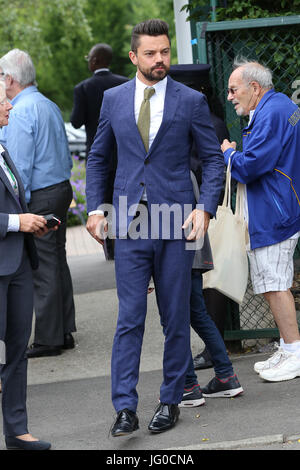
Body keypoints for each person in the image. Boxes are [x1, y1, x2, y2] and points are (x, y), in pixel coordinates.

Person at [86, 19, 224, 436]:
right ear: (134, 57)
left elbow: (213, 160)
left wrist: (206, 209)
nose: (160, 59)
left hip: (177, 222)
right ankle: (124, 407)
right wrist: (95, 209)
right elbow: (97, 159)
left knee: (175, 316)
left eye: (165, 52)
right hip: (130, 223)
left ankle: (170, 399)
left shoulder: (189, 101)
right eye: (151, 53)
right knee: (129, 316)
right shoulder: (112, 99)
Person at [221, 58, 300, 383]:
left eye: (233, 89)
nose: (229, 97)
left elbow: (252, 166)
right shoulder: (280, 105)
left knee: (274, 285)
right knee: (273, 283)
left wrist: (228, 153)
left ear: (254, 87)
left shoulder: (270, 112)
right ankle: (287, 346)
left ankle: (294, 351)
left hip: (273, 211)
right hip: (278, 207)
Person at [0, 49, 76, 358]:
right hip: (60, 188)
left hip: (40, 194)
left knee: (42, 266)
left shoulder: (19, 110)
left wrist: (20, 212)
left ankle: (48, 338)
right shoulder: (47, 104)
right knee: (57, 260)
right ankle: (64, 329)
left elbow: (18, 168)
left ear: (10, 79)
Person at [0, 80, 51, 450]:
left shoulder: (2, 148)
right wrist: (19, 222)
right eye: (4, 101)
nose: (10, 107)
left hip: (17, 263)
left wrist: (34, 222)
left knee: (17, 351)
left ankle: (17, 431)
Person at [179, 171, 243, 407]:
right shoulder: (187, 171)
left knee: (175, 318)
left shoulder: (170, 171)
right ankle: (226, 375)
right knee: (198, 314)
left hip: (179, 255)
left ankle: (187, 385)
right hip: (194, 253)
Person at [71, 43, 128, 260]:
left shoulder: (83, 88)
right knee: (123, 198)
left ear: (95, 61)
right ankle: (125, 240)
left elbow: (75, 122)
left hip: (98, 154)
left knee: (102, 201)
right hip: (123, 153)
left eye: (89, 57)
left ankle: (110, 249)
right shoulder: (124, 83)